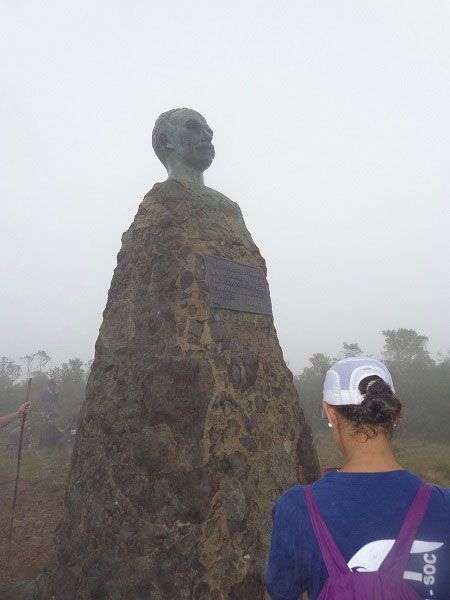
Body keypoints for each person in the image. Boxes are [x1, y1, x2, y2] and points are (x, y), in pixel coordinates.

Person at [265, 357, 450, 599]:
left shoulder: (297, 508)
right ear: (394, 416)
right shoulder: (443, 505)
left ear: (331, 413)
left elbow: (279, 593)